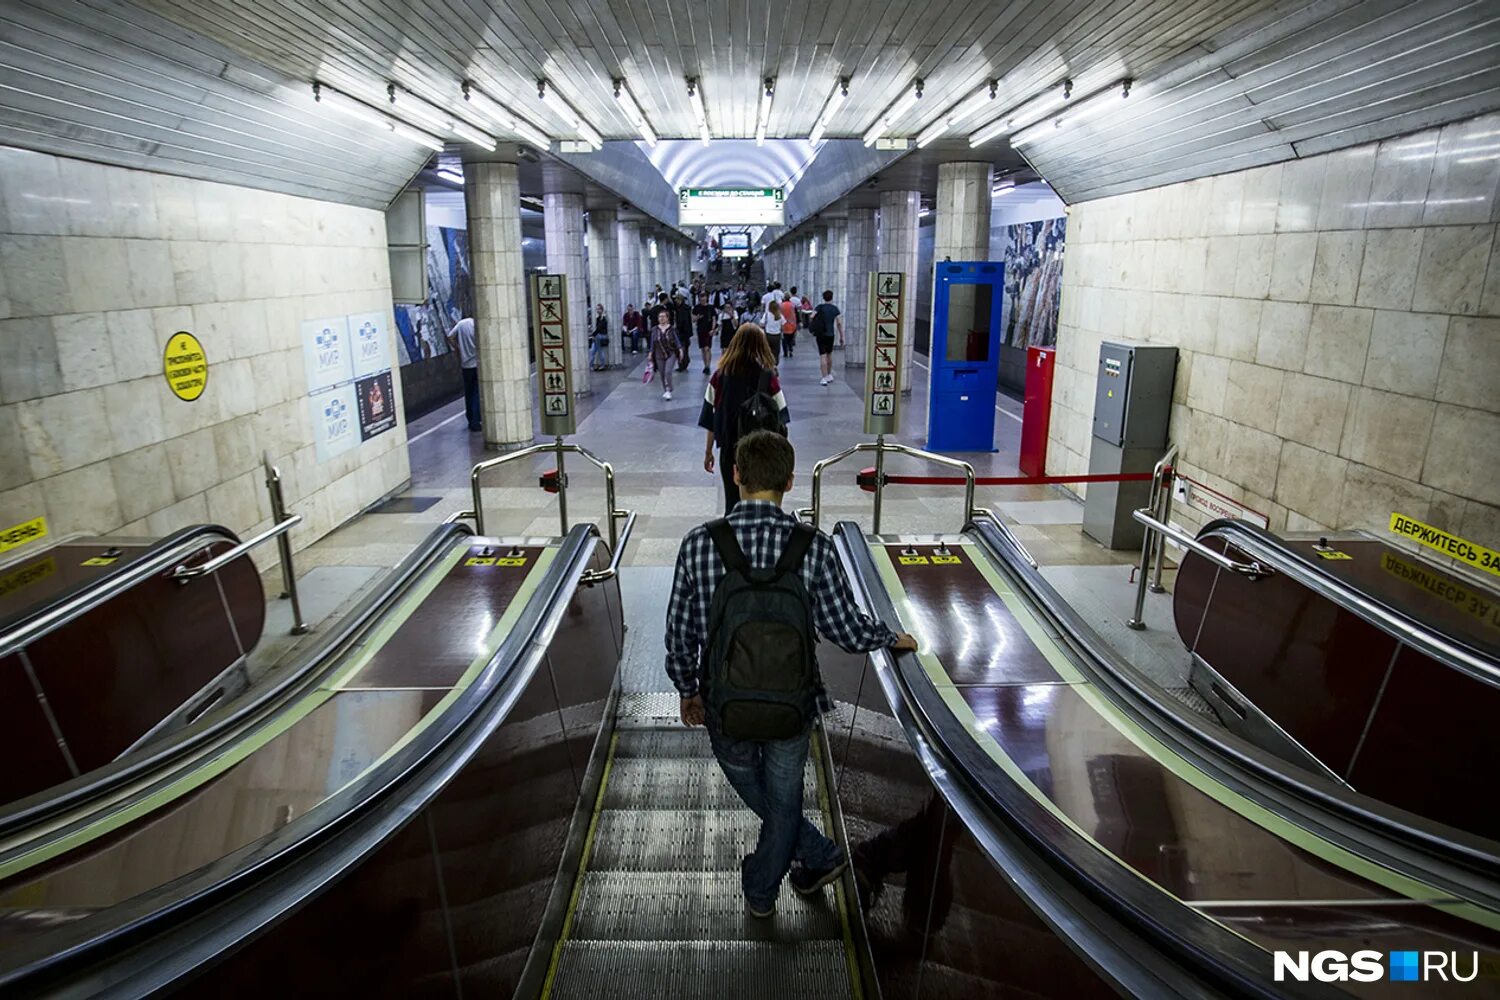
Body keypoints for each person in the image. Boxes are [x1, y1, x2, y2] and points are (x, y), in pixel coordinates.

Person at [666, 430, 919, 919]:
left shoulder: (700, 543)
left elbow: (680, 633)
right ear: (789, 481)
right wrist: (890, 636)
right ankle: (819, 857)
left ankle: (764, 888)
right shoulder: (815, 548)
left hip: (725, 708)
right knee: (782, 802)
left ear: (735, 475)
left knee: (769, 801)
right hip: (793, 709)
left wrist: (687, 691)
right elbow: (845, 629)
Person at [700, 324, 787, 512]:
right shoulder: (767, 377)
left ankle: (732, 537)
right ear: (761, 345)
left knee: (732, 502)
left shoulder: (719, 376)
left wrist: (708, 452)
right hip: (762, 450)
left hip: (730, 451)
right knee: (764, 502)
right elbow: (782, 415)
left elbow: (710, 419)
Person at [445, 315, 481, 432]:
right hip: (476, 364)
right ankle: (476, 422)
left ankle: (470, 419)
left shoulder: (461, 324)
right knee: (476, 393)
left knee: (469, 393)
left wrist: (458, 348)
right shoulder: (476, 325)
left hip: (465, 365)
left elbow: (450, 336)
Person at [811, 289, 844, 386]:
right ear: (832, 297)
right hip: (830, 334)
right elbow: (839, 323)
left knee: (822, 355)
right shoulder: (835, 309)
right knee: (829, 354)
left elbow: (812, 316)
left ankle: (824, 377)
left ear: (823, 297)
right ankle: (829, 374)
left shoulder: (819, 307)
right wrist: (842, 336)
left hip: (821, 334)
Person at [649, 307, 682, 400]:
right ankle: (666, 390)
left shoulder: (672, 329)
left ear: (667, 318)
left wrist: (680, 349)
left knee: (668, 372)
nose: (661, 318)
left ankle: (669, 389)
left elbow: (676, 340)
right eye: (660, 317)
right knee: (662, 373)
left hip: (671, 353)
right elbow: (652, 342)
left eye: (663, 316)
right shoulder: (654, 329)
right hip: (659, 354)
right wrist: (650, 353)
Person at [693, 293, 717, 374]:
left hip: (708, 329)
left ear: (707, 298)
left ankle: (708, 366)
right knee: (703, 348)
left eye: (704, 297)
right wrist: (697, 317)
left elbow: (714, 318)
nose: (703, 299)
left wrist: (713, 329)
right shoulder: (696, 308)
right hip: (700, 330)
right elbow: (693, 319)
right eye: (701, 298)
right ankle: (705, 364)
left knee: (707, 348)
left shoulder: (711, 307)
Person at [674, 294, 694, 372]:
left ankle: (682, 363)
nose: (676, 301)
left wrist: (678, 329)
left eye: (677, 299)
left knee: (681, 348)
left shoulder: (682, 309)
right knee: (684, 348)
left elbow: (683, 321)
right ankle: (683, 362)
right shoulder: (684, 308)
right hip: (686, 332)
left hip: (682, 332)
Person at [778, 289, 798, 358]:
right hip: (792, 323)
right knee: (790, 338)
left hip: (784, 324)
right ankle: (790, 349)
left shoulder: (781, 305)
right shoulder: (793, 305)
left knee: (784, 339)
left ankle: (785, 352)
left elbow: (779, 314)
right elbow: (796, 314)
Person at [589, 303, 609, 371]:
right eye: (597, 309)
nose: (598, 310)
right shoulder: (598, 318)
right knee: (592, 351)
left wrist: (593, 335)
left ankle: (602, 365)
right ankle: (591, 365)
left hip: (602, 336)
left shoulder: (604, 318)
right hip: (597, 336)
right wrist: (594, 335)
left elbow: (599, 328)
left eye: (599, 309)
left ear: (602, 310)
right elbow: (597, 328)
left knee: (599, 350)